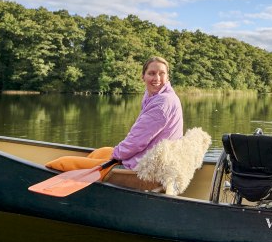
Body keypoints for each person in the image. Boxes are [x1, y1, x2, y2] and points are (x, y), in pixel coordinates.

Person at [46, 56, 184, 172]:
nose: (157, 78)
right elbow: (139, 137)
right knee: (100, 152)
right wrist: (116, 152)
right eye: (152, 73)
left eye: (162, 73)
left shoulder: (162, 102)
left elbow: (137, 141)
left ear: (168, 76)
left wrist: (116, 156)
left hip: (146, 166)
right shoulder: (154, 95)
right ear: (143, 76)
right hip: (147, 155)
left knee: (62, 162)